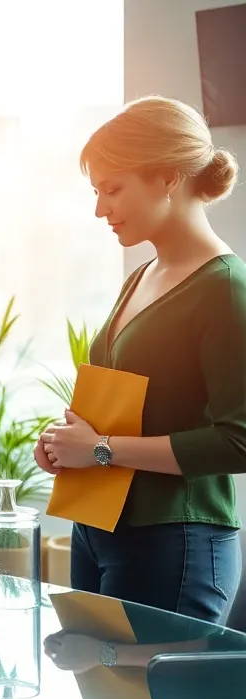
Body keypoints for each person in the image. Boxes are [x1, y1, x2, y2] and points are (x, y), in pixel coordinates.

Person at [37, 96, 246, 623]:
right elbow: (139, 404)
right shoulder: (142, 276)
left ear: (168, 177)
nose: (100, 209)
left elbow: (238, 440)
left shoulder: (225, 289)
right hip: (99, 529)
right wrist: (68, 444)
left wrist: (102, 450)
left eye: (112, 189)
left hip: (175, 542)